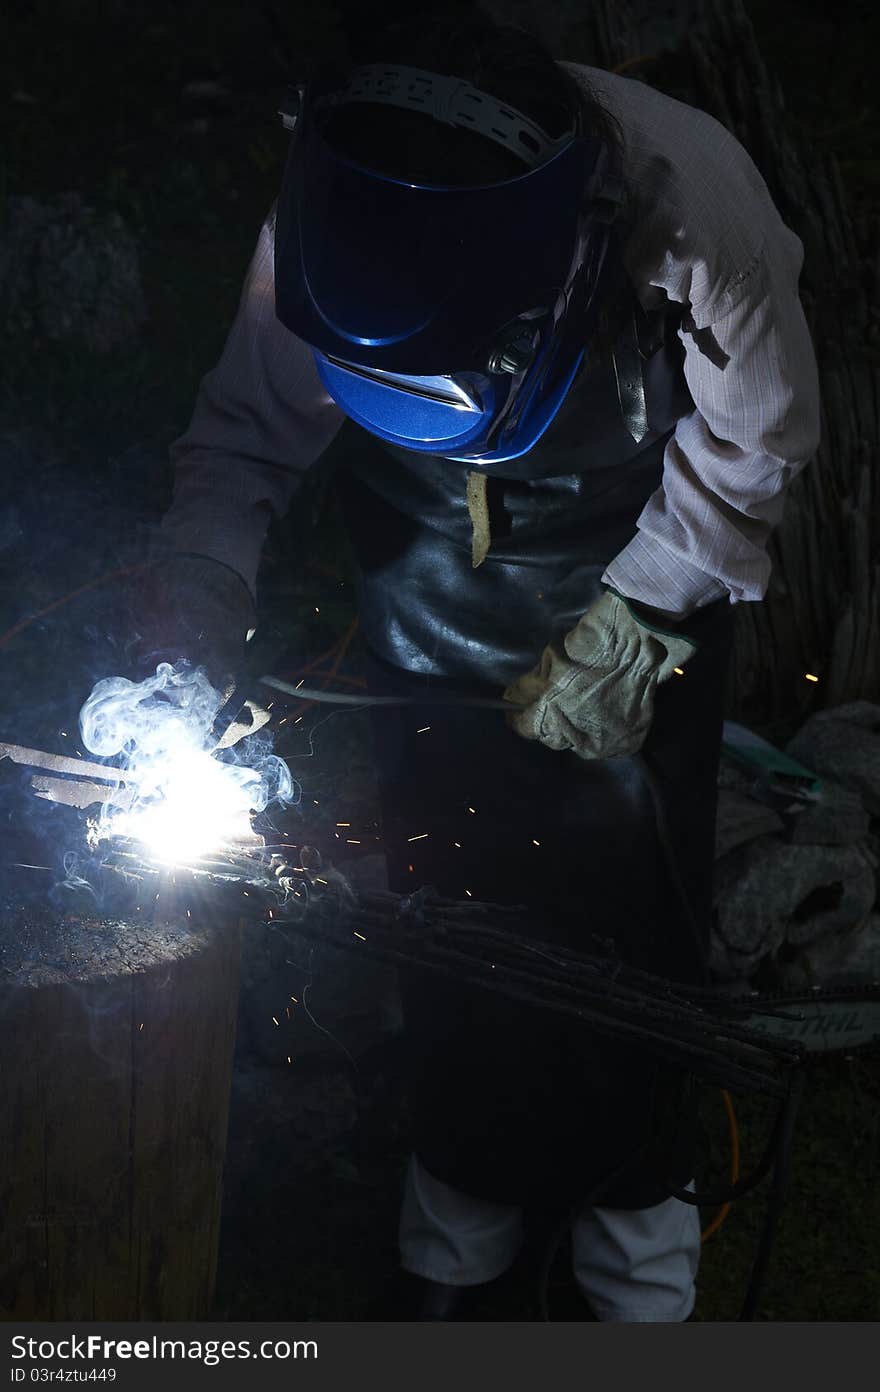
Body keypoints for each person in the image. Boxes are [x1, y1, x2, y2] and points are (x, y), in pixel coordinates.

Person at [143, 7, 820, 1320]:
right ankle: (457, 1232)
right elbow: (241, 441)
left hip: (638, 551)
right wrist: (192, 590)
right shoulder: (334, 212)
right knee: (441, 900)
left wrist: (627, 640)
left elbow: (754, 453)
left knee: (631, 915)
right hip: (422, 574)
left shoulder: (690, 206)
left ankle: (638, 1270)